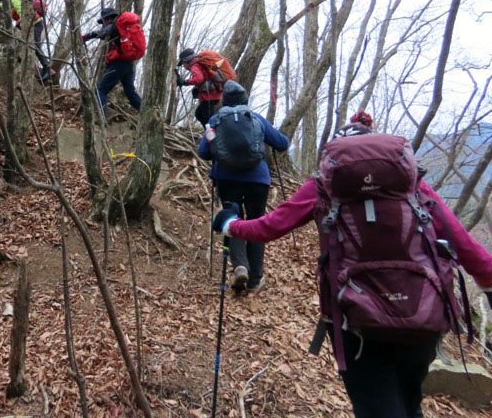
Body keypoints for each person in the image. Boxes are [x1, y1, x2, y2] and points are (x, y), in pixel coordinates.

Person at [212, 110, 492, 418]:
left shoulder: (324, 187)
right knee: (408, 402)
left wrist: (230, 224)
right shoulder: (412, 187)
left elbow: (268, 228)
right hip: (421, 317)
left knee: (377, 407)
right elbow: (466, 246)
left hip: (354, 319)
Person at [198, 81, 289, 292]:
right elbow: (282, 144)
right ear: (245, 100)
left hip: (227, 178)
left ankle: (240, 266)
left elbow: (203, 152)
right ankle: (255, 279)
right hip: (258, 179)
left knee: (232, 219)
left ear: (224, 101)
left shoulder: (215, 120)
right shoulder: (256, 118)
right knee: (256, 223)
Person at [82, 7, 143, 113]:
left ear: (107, 19)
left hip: (118, 64)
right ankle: (147, 117)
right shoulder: (122, 28)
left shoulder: (114, 25)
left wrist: (87, 36)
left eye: (103, 22)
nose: (103, 24)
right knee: (131, 93)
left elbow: (102, 33)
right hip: (129, 64)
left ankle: (100, 118)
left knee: (101, 90)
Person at [176, 48, 237, 129]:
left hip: (209, 96)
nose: (183, 66)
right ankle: (210, 133)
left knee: (207, 118)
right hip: (213, 94)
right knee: (200, 114)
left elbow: (199, 79)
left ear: (186, 60)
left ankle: (212, 135)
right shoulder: (200, 63)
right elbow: (204, 78)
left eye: (183, 63)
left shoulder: (194, 66)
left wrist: (185, 82)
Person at [0, 0, 51, 81]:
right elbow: (4, 6)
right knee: (30, 45)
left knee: (35, 46)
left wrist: (19, 24)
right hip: (35, 22)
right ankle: (23, 60)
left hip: (33, 22)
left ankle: (47, 67)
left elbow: (22, 11)